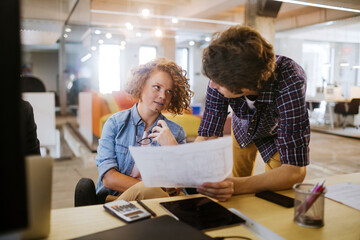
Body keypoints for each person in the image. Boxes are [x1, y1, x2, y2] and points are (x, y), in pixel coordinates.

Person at [195, 26, 310, 202]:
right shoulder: (219, 75)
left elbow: (294, 171)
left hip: (276, 133)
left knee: (274, 194)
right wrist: (186, 166)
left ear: (246, 86)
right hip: (242, 127)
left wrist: (235, 186)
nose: (212, 86)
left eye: (218, 83)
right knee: (236, 184)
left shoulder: (291, 80)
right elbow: (208, 134)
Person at [95, 58, 193, 202]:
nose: (163, 96)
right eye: (157, 87)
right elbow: (109, 179)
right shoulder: (115, 124)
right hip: (119, 198)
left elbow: (184, 179)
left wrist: (172, 147)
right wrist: (151, 189)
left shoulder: (175, 132)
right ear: (140, 85)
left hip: (163, 199)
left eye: (169, 91)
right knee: (157, 195)